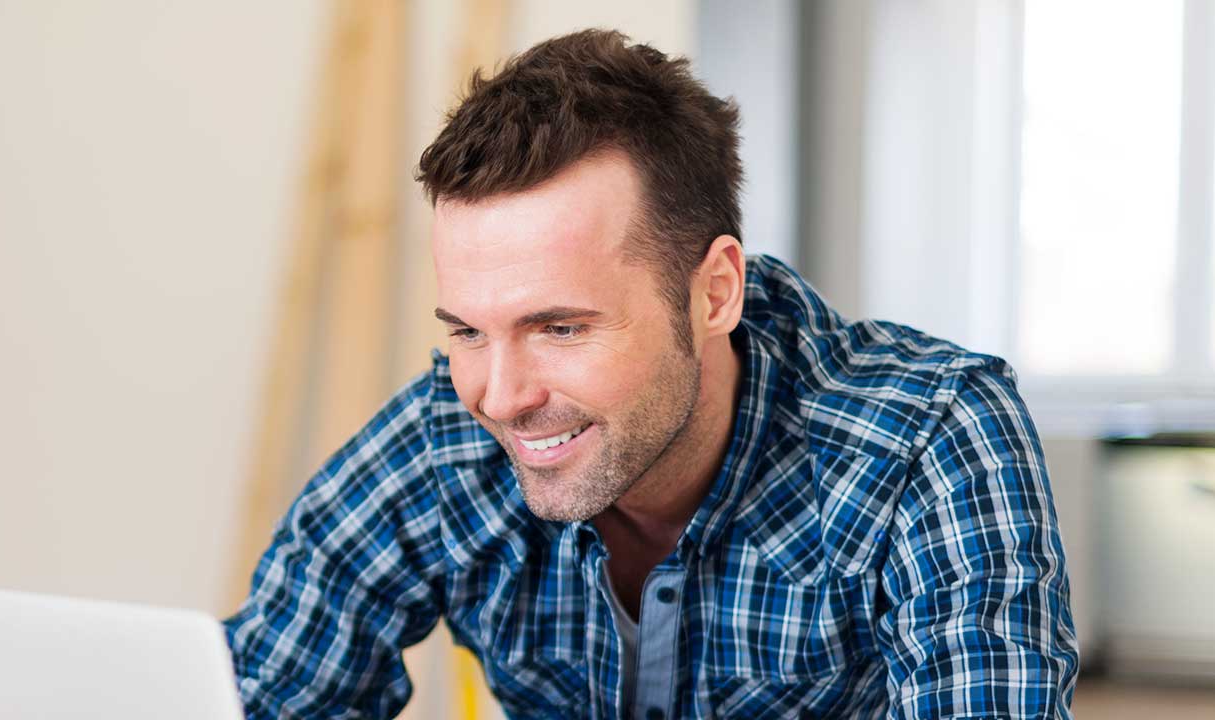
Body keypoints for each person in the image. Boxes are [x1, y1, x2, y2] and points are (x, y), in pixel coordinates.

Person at [224, 29, 1077, 719]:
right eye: (468, 332)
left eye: (559, 327)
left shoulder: (925, 433)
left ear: (715, 292)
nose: (502, 396)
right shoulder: (446, 441)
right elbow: (264, 693)